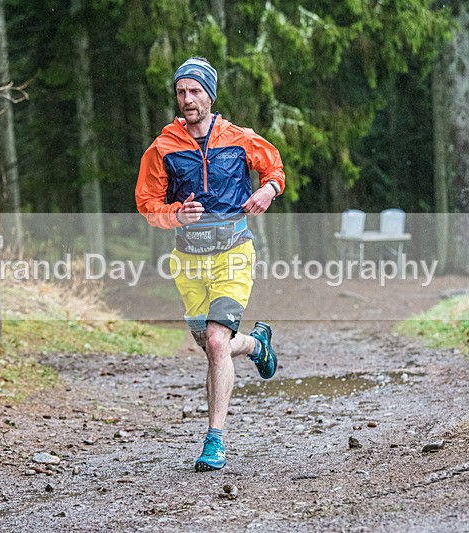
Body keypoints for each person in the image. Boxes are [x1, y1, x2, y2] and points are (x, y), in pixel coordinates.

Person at [135, 57, 285, 472]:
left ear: (210, 94)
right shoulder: (162, 147)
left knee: (218, 343)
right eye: (181, 91)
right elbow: (147, 205)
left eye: (195, 91)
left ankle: (214, 440)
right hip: (188, 260)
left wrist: (268, 191)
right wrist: (175, 215)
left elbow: (274, 168)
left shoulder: (238, 138)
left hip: (234, 250)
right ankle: (256, 345)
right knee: (213, 346)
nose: (188, 99)